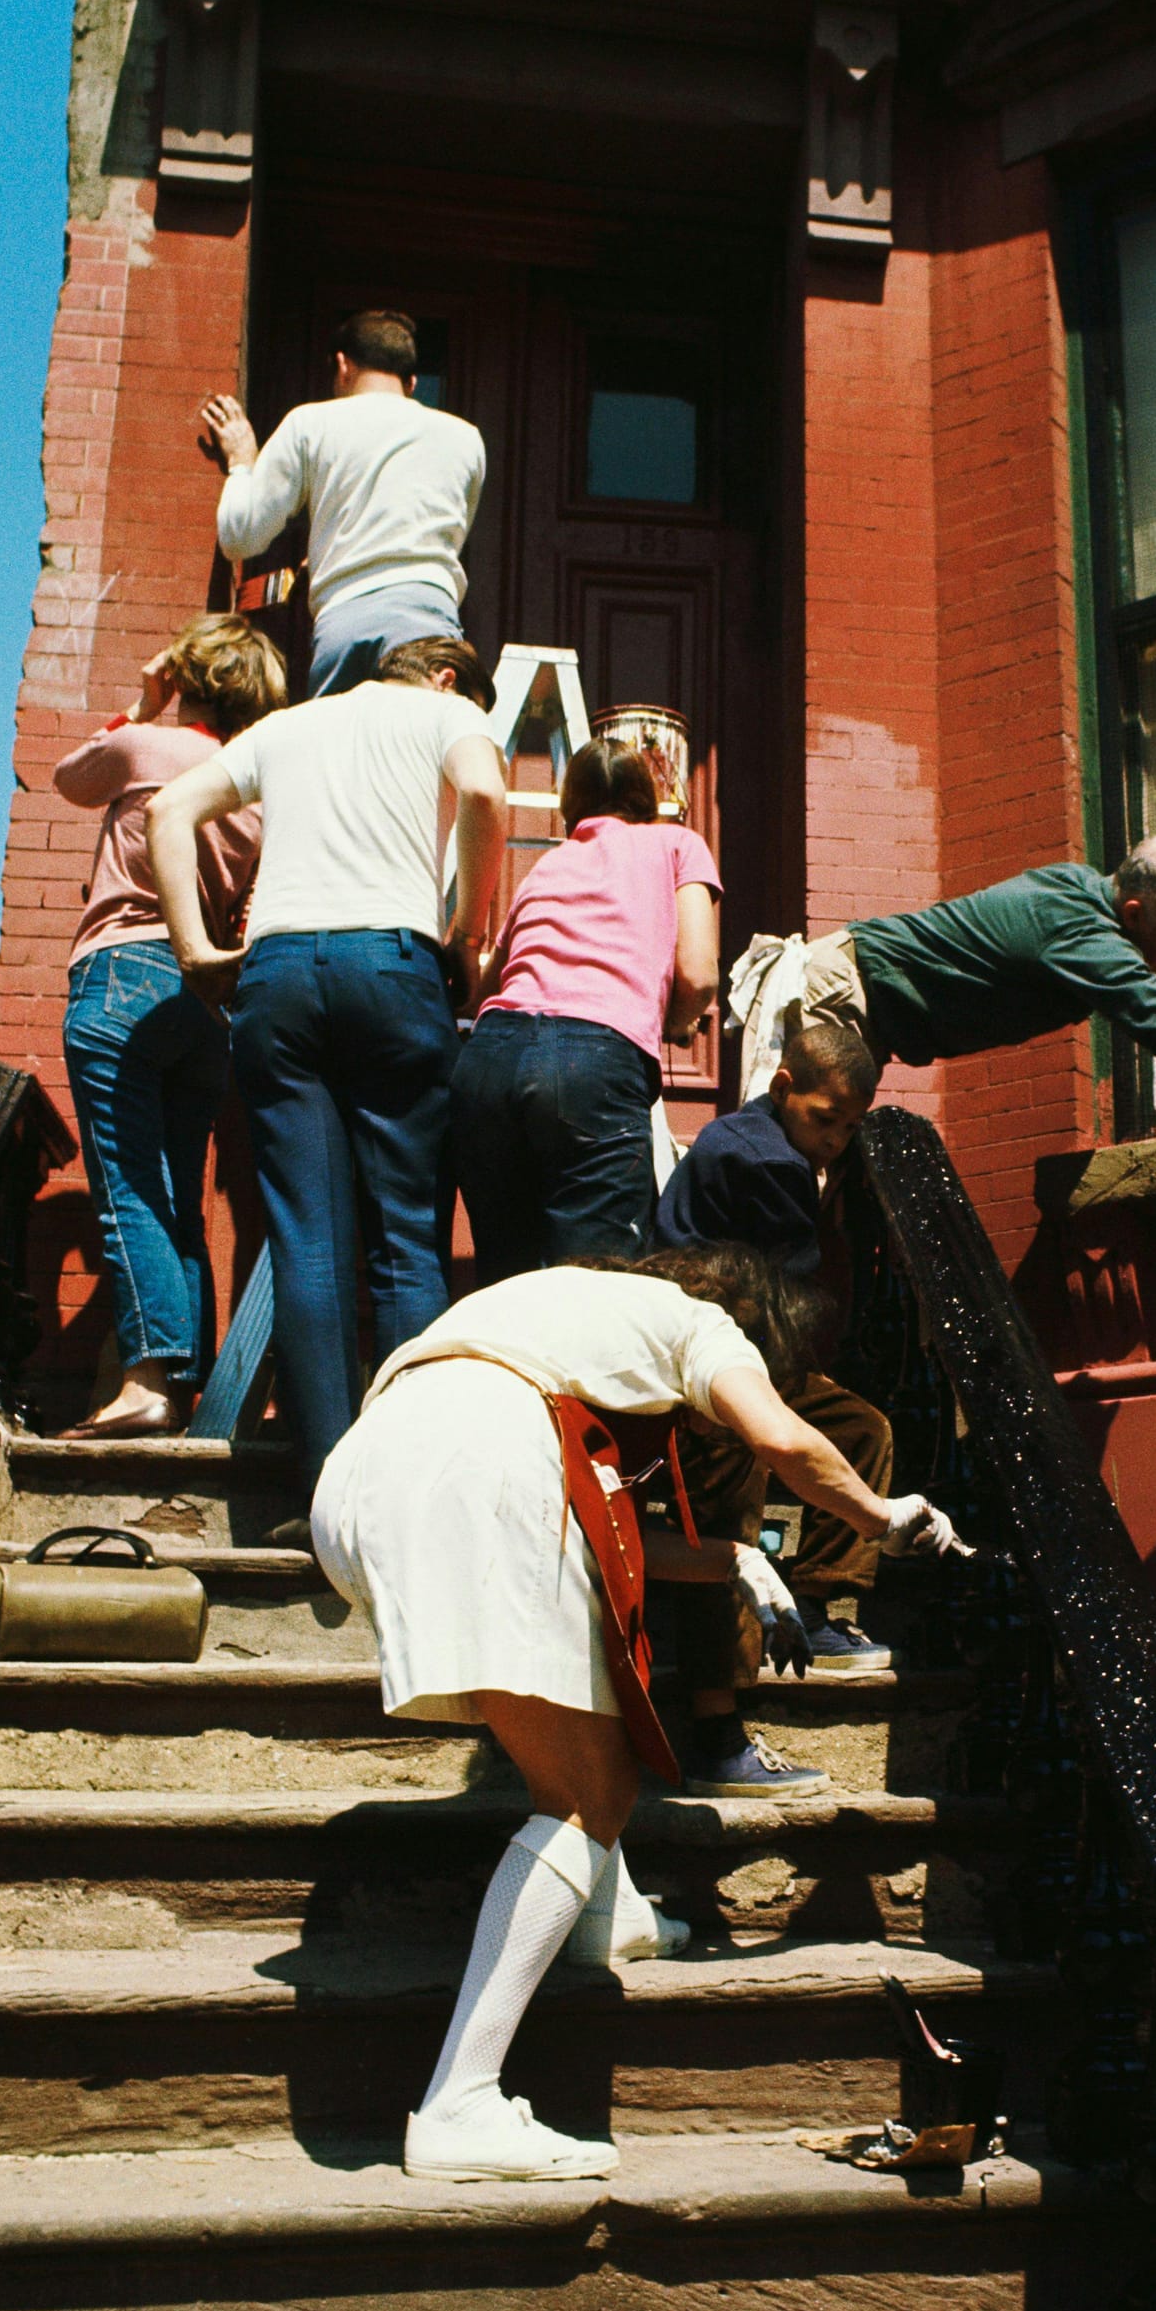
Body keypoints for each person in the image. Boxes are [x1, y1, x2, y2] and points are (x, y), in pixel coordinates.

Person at [309, 1244, 966, 2183]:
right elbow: (783, 1440)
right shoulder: (701, 1322)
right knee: (588, 1790)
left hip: (362, 1479)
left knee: (584, 1730)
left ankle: (602, 1919)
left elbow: (600, 1529)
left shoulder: (538, 1301)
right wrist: (877, 1515)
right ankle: (460, 2104)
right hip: (475, 1473)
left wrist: (737, 1560)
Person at [146, 635, 510, 1500]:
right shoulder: (446, 712)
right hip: (390, 963)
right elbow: (489, 793)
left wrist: (195, 946)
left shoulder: (289, 726)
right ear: (449, 676)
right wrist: (465, 932)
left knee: (307, 1238)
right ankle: (400, 1487)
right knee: (404, 1237)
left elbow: (168, 810)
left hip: (275, 975)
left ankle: (326, 1490)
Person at [53, 615, 285, 1438]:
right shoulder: (254, 787)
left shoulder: (150, 748)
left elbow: (68, 778)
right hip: (206, 997)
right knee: (178, 1195)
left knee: (127, 1190)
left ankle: (149, 1379)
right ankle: (186, 1383)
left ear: (191, 677)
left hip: (123, 970)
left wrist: (143, 704)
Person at [748, 836, 1156, 1119]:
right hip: (839, 991)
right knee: (797, 1165)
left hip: (861, 998)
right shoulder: (1085, 937)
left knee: (820, 1173)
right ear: (1137, 913)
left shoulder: (1083, 893)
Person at [658, 1024, 899, 1752]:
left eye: (851, 1127)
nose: (836, 1140)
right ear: (784, 1087)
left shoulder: (742, 1136)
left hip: (749, 1353)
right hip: (709, 1367)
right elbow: (792, 1291)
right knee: (734, 1507)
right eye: (825, 1121)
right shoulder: (769, 1163)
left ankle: (819, 1601)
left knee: (862, 1430)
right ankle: (717, 1724)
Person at [451, 737, 719, 1283]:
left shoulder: (547, 867)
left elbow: (482, 987)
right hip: (594, 1059)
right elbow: (699, 974)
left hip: (491, 1058)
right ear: (646, 797)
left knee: (507, 1282)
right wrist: (672, 1020)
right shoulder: (677, 843)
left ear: (569, 803)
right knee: (597, 1283)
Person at [203, 308, 486, 699]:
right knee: (418, 751)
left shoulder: (310, 424)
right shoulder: (466, 439)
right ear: (412, 382)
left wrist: (241, 464)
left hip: (346, 616)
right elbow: (451, 536)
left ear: (342, 365)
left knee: (340, 754)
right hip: (428, 615)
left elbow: (240, 537)